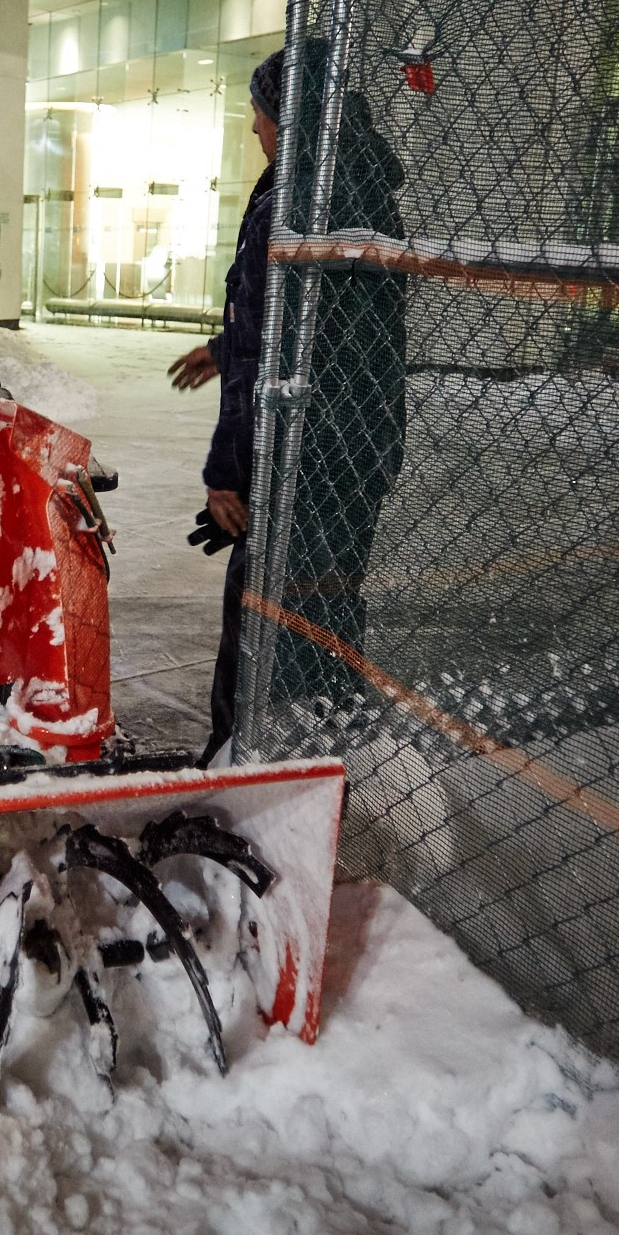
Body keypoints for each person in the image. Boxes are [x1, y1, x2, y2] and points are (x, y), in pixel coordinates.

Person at [180, 39, 408, 766]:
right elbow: (321, 331)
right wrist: (222, 349)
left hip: (300, 449)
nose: (256, 127)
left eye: (263, 113)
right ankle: (332, 751)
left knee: (260, 614)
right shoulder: (366, 191)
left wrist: (229, 474)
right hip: (360, 442)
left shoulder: (290, 200)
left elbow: (266, 352)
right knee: (326, 606)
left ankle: (238, 765)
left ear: (295, 118)